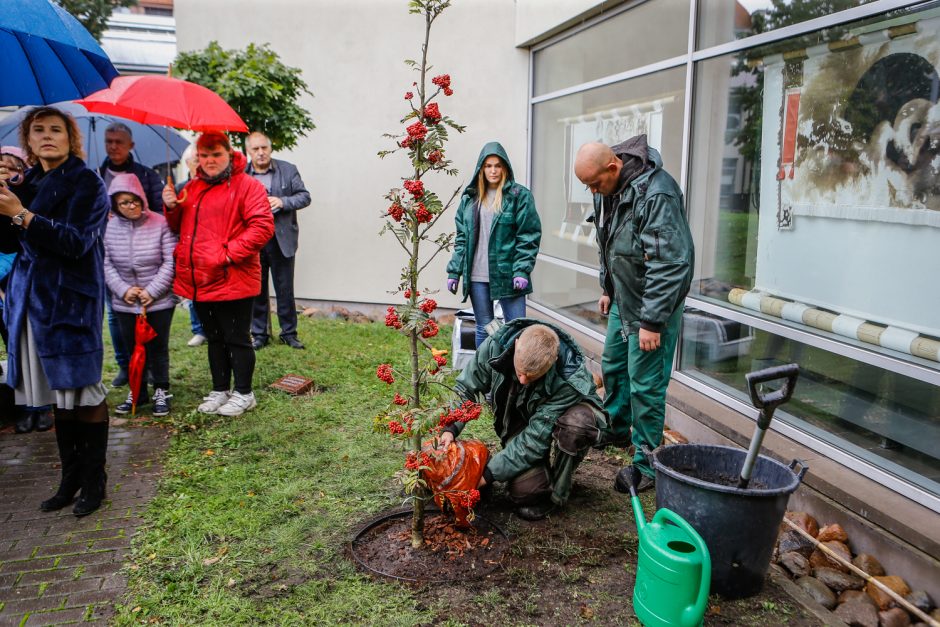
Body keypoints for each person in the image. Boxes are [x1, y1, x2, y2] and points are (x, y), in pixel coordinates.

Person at [0, 106, 111, 516]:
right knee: (56, 397)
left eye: (56, 130)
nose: (47, 136)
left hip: (70, 304)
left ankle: (95, 482)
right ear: (28, 140)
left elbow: (76, 243)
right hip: (30, 304)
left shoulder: (87, 183)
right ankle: (70, 478)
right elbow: (9, 246)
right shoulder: (25, 183)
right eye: (38, 130)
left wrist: (22, 215)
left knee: (82, 392)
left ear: (71, 138)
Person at [573, 136, 694, 493]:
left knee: (646, 383)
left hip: (652, 306)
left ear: (614, 167)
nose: (592, 191)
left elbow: (671, 263)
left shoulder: (658, 194)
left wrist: (652, 321)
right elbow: (608, 241)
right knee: (613, 364)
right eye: (587, 186)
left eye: (594, 183)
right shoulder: (606, 189)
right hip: (624, 297)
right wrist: (608, 287)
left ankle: (647, 463)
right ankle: (615, 426)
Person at [438, 320, 607, 521]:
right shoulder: (496, 345)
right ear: (517, 344)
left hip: (569, 418)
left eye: (532, 376)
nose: (523, 381)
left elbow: (534, 439)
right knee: (527, 491)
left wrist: (486, 477)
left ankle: (557, 493)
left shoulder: (569, 380)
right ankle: (540, 476)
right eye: (520, 372)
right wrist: (450, 427)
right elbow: (466, 388)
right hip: (527, 415)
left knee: (575, 425)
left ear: (552, 361)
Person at [162, 131, 274, 417]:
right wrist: (171, 206)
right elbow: (180, 226)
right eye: (204, 155)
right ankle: (220, 388)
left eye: (216, 154)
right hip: (200, 278)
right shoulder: (192, 187)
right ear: (197, 157)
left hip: (233, 277)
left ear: (229, 154)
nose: (210, 160)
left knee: (236, 337)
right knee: (214, 337)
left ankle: (245, 393)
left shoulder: (247, 186)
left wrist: (226, 254)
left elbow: (261, 227)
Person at [446, 142, 541, 347]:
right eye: (488, 166)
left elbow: (528, 236)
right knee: (485, 327)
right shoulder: (470, 199)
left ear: (505, 167)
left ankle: (514, 377)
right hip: (477, 276)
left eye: (497, 165)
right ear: (481, 168)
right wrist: (454, 271)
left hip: (508, 275)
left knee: (516, 329)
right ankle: (485, 376)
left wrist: (522, 270)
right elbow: (462, 239)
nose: (493, 170)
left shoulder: (518, 196)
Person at [103, 173, 177, 417]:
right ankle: (138, 390)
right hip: (125, 301)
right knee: (132, 347)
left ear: (142, 199)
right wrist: (124, 290)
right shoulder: (110, 227)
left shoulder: (160, 222)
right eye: (124, 202)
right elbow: (106, 264)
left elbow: (170, 261)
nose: (131, 206)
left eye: (134, 200)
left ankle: (161, 390)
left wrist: (151, 291)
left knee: (157, 348)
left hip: (158, 300)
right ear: (115, 204)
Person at [97, 123, 164, 387]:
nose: (113, 146)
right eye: (108, 141)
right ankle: (126, 366)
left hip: (145, 256)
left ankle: (147, 367)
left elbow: (158, 212)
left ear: (130, 146)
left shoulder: (146, 176)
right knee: (115, 314)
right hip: (110, 253)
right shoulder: (96, 175)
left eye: (119, 142)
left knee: (147, 314)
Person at [0, 146, 56, 434]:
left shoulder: (35, 194)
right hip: (7, 287)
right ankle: (24, 406)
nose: (9, 173)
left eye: (14, 168)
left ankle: (44, 406)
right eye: (2, 168)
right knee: (14, 347)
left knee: (35, 343)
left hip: (33, 282)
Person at [245, 131, 311, 350]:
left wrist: (282, 202)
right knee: (257, 291)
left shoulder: (288, 169)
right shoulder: (242, 175)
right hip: (254, 242)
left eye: (264, 147)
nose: (261, 152)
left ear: (270, 148)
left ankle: (289, 333)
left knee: (285, 290)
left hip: (282, 240)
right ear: (248, 151)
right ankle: (259, 334)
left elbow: (304, 196)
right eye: (256, 149)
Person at [174, 146, 206, 348]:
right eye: (195, 160)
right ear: (187, 164)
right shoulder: (180, 189)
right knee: (192, 291)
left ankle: (212, 327)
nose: (199, 164)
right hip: (188, 246)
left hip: (208, 246)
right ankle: (198, 330)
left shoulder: (213, 186)